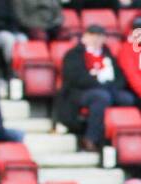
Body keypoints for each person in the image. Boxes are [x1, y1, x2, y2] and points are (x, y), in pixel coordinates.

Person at [53, 24, 131, 153]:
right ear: (85, 37)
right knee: (100, 97)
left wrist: (112, 86)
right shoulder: (74, 54)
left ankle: (119, 139)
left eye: (99, 36)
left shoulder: (108, 55)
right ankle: (91, 138)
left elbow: (119, 76)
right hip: (79, 92)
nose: (96, 39)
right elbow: (75, 77)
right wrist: (99, 84)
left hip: (108, 88)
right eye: (92, 36)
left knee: (127, 99)